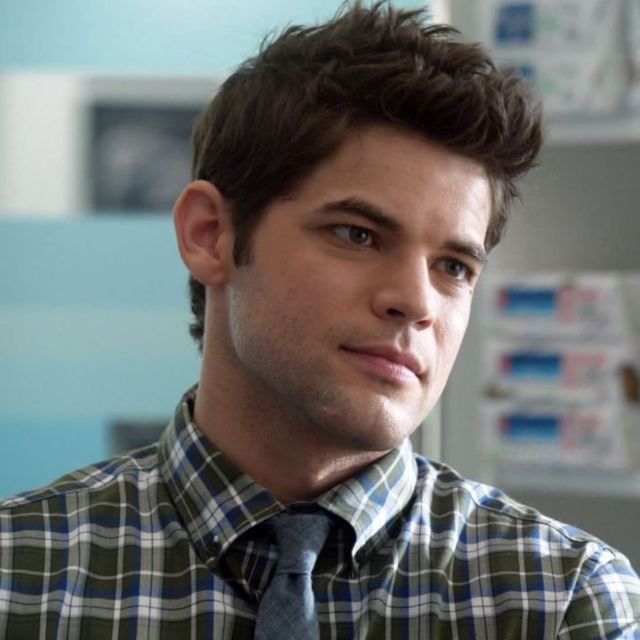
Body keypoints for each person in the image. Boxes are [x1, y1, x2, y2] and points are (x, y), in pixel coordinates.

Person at [1, 1, 639, 638]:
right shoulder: (18, 577)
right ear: (210, 235)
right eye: (357, 235)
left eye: (453, 267)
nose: (416, 302)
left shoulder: (562, 601)